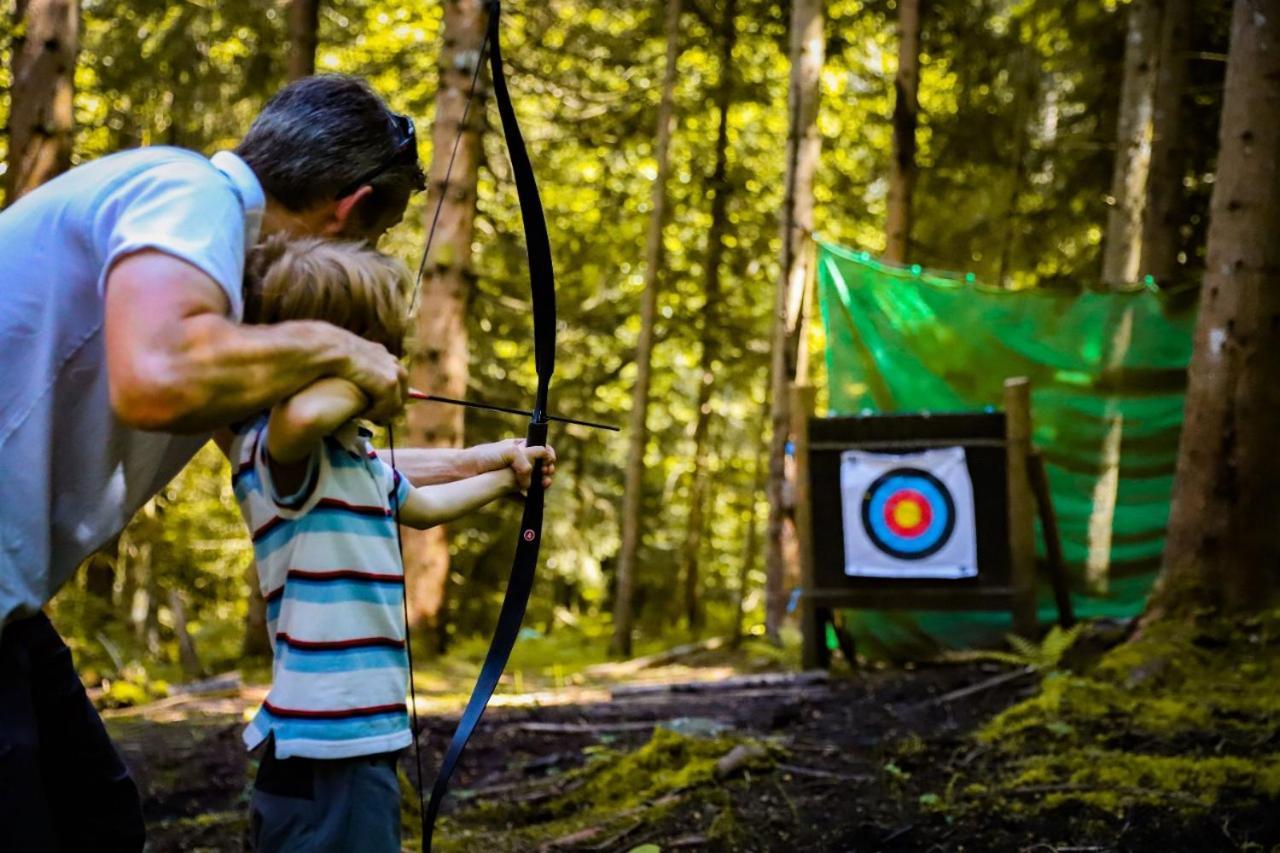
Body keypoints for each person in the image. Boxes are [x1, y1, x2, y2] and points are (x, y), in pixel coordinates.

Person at [0, 74, 554, 851]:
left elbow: (352, 476)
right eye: (376, 239)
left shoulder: (211, 287)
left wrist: (488, 460)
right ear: (351, 207)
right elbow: (154, 378)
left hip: (11, 609)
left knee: (96, 819)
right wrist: (341, 346)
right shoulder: (188, 193)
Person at [227, 235, 544, 852]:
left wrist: (508, 476)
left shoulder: (357, 456)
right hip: (326, 748)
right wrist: (359, 375)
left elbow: (423, 508)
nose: (396, 364)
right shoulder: (278, 454)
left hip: (360, 736)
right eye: (381, 350)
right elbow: (297, 419)